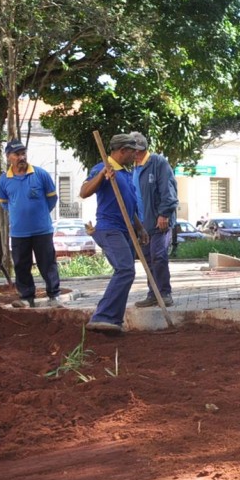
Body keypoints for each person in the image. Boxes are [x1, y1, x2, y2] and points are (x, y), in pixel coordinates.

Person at [79, 133, 144, 334]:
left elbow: (128, 206)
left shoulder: (124, 173)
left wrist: (139, 228)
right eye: (133, 151)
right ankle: (102, 317)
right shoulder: (102, 168)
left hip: (126, 230)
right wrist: (102, 176)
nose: (136, 155)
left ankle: (112, 320)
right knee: (125, 269)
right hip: (109, 229)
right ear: (122, 150)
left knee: (127, 272)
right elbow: (84, 192)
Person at [0, 138, 61, 308]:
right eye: (17, 154)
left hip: (42, 230)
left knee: (47, 263)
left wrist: (39, 215)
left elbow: (52, 199)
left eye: (23, 153)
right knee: (21, 265)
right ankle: (26, 297)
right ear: (9, 157)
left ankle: (54, 296)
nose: (21, 157)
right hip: (19, 232)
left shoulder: (41, 174)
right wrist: (20, 214)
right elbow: (4, 203)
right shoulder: (3, 180)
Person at [128, 131, 178, 307]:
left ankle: (164, 293)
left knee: (159, 256)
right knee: (147, 259)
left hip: (159, 221)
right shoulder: (133, 168)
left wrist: (164, 214)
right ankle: (153, 293)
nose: (135, 154)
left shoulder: (158, 163)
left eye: (137, 150)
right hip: (142, 224)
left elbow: (168, 191)